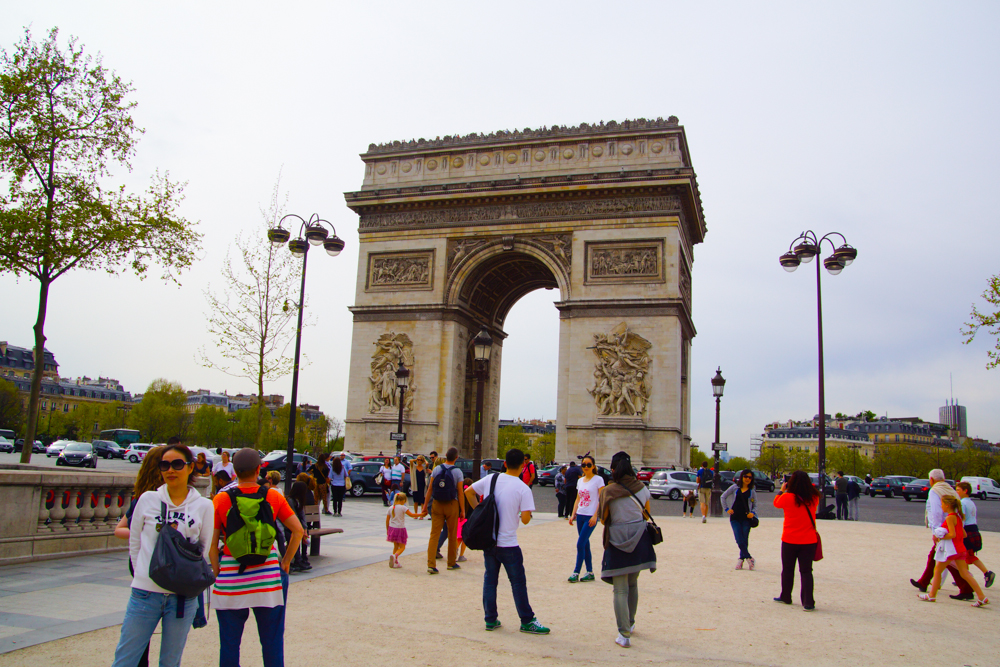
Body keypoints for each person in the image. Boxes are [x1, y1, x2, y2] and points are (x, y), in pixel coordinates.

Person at [110, 442, 214, 667]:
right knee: (126, 659)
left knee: (170, 661)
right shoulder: (147, 499)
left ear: (190, 467)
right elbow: (135, 540)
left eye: (177, 464)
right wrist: (141, 575)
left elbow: (202, 548)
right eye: (164, 465)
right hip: (145, 593)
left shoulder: (204, 506)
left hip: (181, 597)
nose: (170, 470)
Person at [210, 448, 305, 667]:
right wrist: (286, 562)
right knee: (272, 642)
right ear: (259, 469)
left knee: (229, 645)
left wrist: (217, 570)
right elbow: (297, 531)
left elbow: (212, 545)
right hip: (267, 580)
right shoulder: (272, 496)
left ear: (234, 471)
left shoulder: (221, 499)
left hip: (231, 580)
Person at [465, 448, 549, 635]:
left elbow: (468, 492)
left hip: (490, 542)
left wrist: (480, 511)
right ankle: (527, 620)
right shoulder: (523, 488)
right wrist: (520, 511)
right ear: (523, 465)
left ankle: (490, 619)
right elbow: (526, 519)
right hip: (509, 544)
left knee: (490, 580)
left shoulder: (491, 479)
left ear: (504, 463)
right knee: (517, 583)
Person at [113, 446, 165, 667]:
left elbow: (119, 529)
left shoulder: (142, 496)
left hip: (144, 563)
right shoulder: (149, 499)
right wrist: (146, 535)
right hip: (152, 563)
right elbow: (121, 529)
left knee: (141, 623)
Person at [598, 451, 656, 649]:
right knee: (633, 584)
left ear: (613, 470)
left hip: (617, 540)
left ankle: (623, 634)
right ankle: (630, 624)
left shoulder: (607, 491)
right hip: (639, 539)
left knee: (620, 589)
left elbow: (604, 519)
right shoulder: (642, 488)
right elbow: (646, 515)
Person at [910, 469, 975, 600]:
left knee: (945, 558)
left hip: (944, 530)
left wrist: (936, 532)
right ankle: (924, 582)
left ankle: (966, 588)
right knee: (940, 557)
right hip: (954, 527)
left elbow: (935, 512)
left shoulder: (934, 491)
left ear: (931, 480)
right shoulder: (951, 490)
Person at [918, 495, 989, 606]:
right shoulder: (958, 517)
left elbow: (952, 534)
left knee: (937, 571)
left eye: (942, 504)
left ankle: (932, 595)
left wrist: (940, 537)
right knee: (965, 574)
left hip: (952, 550)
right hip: (961, 549)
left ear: (947, 505)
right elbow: (963, 534)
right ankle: (981, 597)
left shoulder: (950, 517)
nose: (941, 506)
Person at [773, 470, 820, 611]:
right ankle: (808, 602)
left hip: (790, 538)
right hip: (808, 540)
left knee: (787, 570)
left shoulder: (787, 497)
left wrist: (781, 491)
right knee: (806, 571)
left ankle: (786, 596)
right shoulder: (814, 497)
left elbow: (776, 503)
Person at [427, 447, 465, 574]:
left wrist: (425, 505)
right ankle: (451, 562)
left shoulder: (437, 469)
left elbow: (430, 489)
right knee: (452, 534)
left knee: (434, 534)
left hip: (437, 503)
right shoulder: (458, 472)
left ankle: (431, 564)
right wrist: (462, 510)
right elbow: (460, 492)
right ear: (456, 457)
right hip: (451, 503)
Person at [568, 454, 605, 583]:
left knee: (580, 544)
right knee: (585, 544)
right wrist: (573, 514)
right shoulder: (580, 480)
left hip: (590, 516)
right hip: (581, 514)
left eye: (589, 465)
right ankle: (590, 572)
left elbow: (601, 499)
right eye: (584, 465)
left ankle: (576, 572)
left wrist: (596, 515)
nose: (586, 467)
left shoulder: (598, 480)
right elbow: (578, 498)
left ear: (593, 466)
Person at [956, 481, 995, 588]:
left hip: (967, 531)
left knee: (967, 556)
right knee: (966, 556)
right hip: (973, 529)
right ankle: (966, 576)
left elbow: (962, 520)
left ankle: (986, 573)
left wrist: (958, 532)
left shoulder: (962, 503)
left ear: (965, 491)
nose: (957, 492)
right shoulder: (970, 502)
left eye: (958, 490)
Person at [722, 468, 758, 570]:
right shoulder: (734, 487)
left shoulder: (752, 491)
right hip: (735, 518)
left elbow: (755, 505)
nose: (747, 479)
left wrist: (753, 513)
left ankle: (741, 559)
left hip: (746, 519)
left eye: (749, 477)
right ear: (741, 477)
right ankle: (749, 558)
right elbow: (723, 496)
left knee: (744, 539)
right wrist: (727, 509)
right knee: (739, 539)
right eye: (745, 476)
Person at [387, 489, 421, 568]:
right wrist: (421, 514)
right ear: (403, 500)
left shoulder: (391, 508)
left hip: (392, 528)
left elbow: (387, 520)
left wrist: (387, 529)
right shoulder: (403, 508)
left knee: (396, 546)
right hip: (400, 529)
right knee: (402, 547)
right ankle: (395, 556)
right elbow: (412, 515)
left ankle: (395, 561)